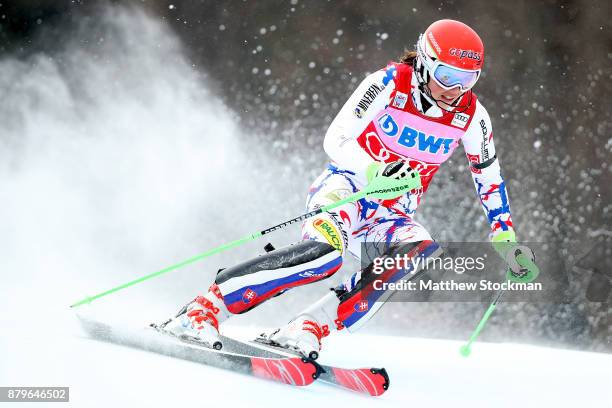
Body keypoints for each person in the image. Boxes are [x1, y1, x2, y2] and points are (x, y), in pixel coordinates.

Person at [158, 19, 535, 358]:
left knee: (418, 250)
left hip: (390, 214)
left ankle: (308, 326)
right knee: (325, 258)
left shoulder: (473, 117)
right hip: (347, 191)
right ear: (423, 61)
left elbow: (488, 174)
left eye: (467, 79)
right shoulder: (388, 84)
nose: (454, 89)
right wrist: (375, 170)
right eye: (446, 75)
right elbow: (335, 138)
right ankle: (204, 309)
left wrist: (503, 229)